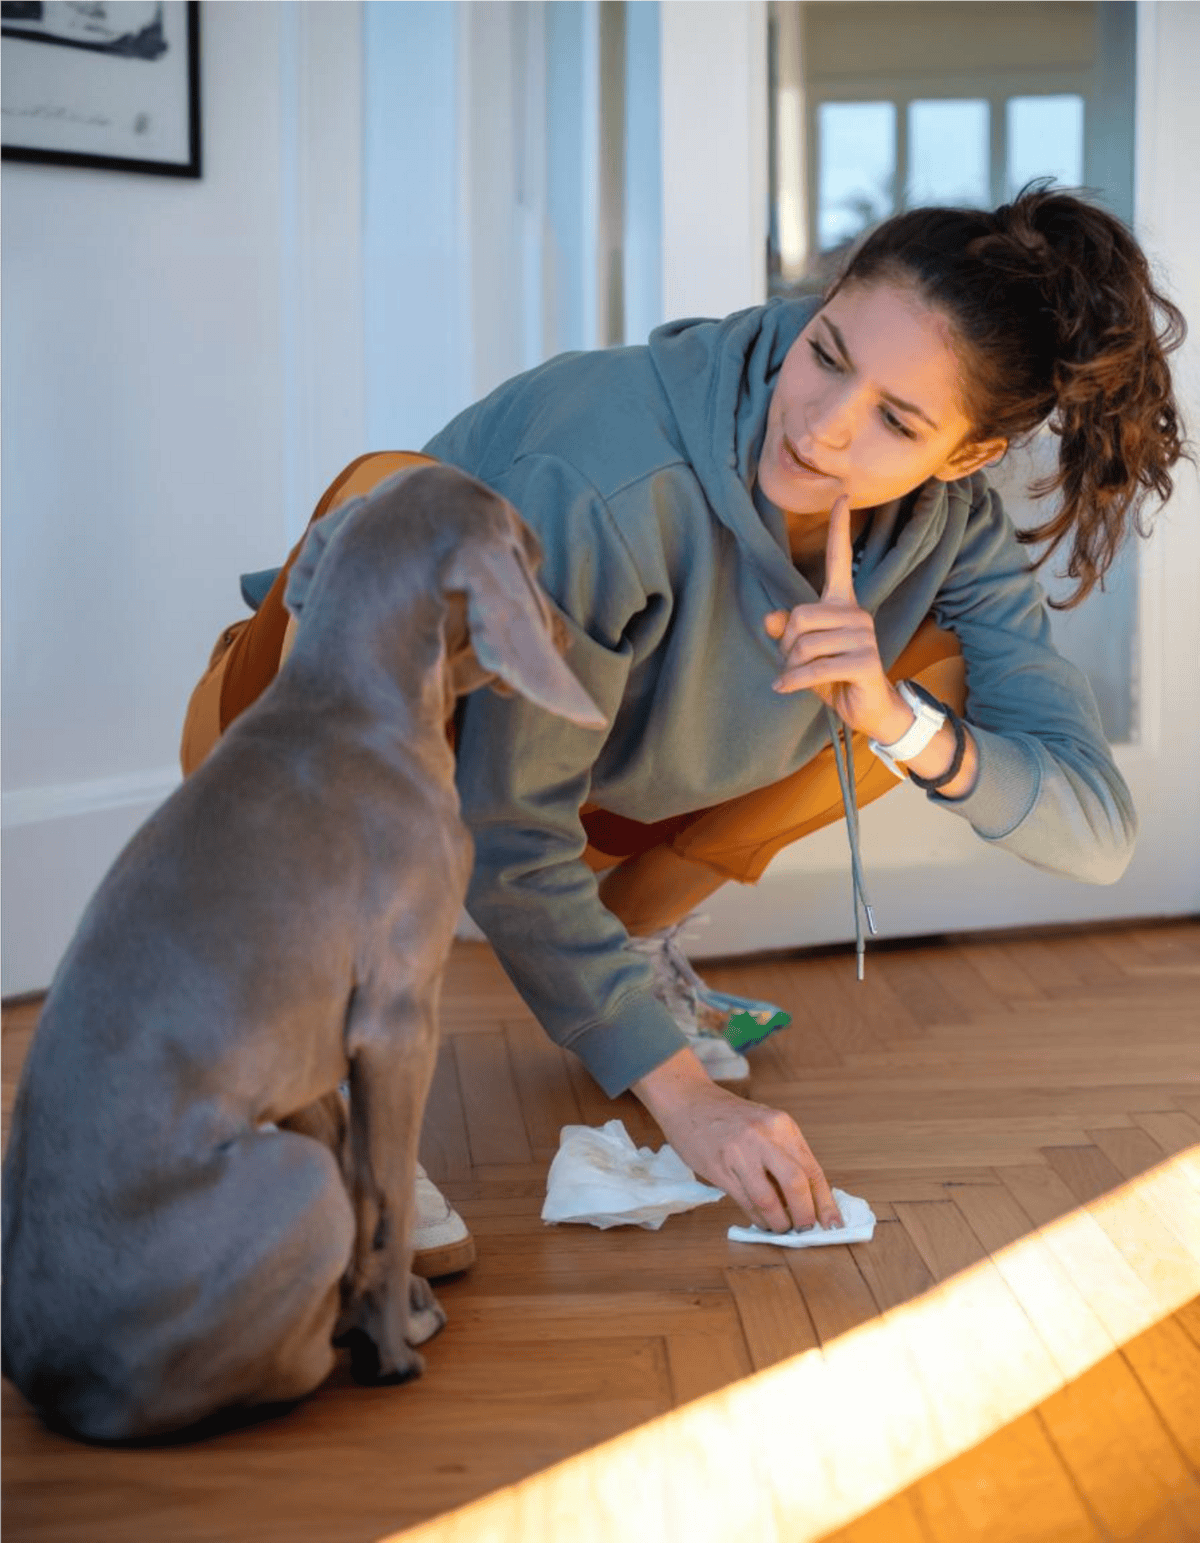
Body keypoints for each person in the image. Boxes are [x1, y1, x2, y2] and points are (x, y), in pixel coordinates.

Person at [180, 179, 1189, 1268]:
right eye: (828, 351)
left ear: (967, 457)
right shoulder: (611, 474)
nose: (821, 423)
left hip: (595, 770)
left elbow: (1097, 833)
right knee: (398, 510)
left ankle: (631, 946)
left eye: (896, 419)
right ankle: (331, 1067)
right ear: (818, 301)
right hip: (297, 740)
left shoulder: (954, 528)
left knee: (918, 677)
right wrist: (688, 1099)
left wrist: (899, 721)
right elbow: (507, 827)